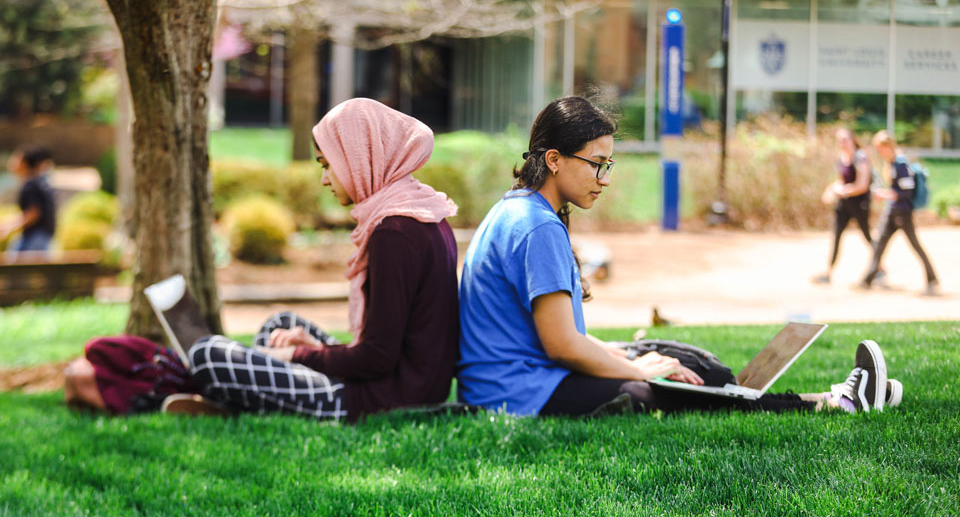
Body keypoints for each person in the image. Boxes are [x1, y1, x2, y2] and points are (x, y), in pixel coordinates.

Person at [457, 96, 900, 418]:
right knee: (659, 389)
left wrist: (630, 354)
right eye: (597, 163)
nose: (604, 179)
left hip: (512, 385)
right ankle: (837, 402)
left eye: (608, 165)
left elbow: (559, 337)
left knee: (672, 363)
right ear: (554, 160)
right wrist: (633, 366)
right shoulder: (536, 226)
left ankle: (837, 398)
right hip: (514, 397)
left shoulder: (518, 211)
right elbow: (562, 345)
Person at [183, 98, 460, 422]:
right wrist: (312, 347)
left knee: (206, 356)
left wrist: (296, 354)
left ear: (360, 157)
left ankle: (231, 398)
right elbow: (386, 344)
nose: (325, 179)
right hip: (407, 384)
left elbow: (377, 358)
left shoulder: (395, 232)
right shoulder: (422, 212)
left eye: (328, 164)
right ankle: (240, 398)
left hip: (388, 398)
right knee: (281, 326)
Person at [860, 131, 939, 296]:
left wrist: (885, 194)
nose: (880, 153)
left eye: (881, 149)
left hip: (902, 212)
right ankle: (868, 278)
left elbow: (906, 191)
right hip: (892, 210)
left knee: (915, 245)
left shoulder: (900, 164)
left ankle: (932, 279)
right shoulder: (891, 163)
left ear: (888, 147)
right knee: (879, 244)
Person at [812, 128, 882, 285]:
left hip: (860, 204)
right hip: (844, 204)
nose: (841, 143)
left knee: (867, 236)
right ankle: (828, 273)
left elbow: (862, 185)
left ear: (852, 140)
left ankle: (880, 268)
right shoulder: (841, 158)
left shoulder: (861, 157)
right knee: (836, 236)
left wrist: (843, 191)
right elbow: (842, 181)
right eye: (839, 140)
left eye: (844, 140)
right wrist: (832, 189)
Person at [2, 145, 56, 258]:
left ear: (24, 163)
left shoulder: (30, 185)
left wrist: (9, 227)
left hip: (35, 237)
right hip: (44, 236)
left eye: (16, 158)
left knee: (16, 269)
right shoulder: (38, 181)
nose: (12, 162)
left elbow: (33, 213)